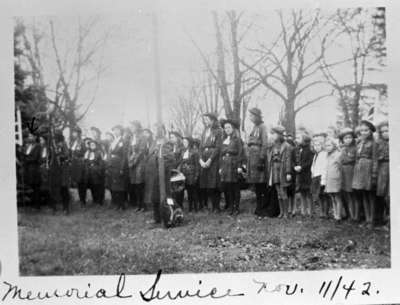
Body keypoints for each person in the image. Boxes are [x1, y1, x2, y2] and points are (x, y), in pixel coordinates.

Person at [147, 123, 175, 224]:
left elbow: (169, 157)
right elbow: (150, 154)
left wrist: (158, 157)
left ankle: (168, 217)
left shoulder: (167, 142)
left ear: (162, 130)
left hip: (163, 174)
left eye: (157, 129)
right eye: (154, 130)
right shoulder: (153, 142)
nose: (155, 132)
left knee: (166, 196)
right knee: (154, 196)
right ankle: (157, 218)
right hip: (154, 173)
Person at [352, 120, 378, 227]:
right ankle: (367, 219)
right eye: (362, 130)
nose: (363, 132)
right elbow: (356, 158)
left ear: (371, 131)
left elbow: (375, 159)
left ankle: (372, 220)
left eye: (366, 130)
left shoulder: (374, 143)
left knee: (371, 195)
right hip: (359, 170)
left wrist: (374, 174)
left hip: (368, 169)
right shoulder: (359, 143)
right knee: (363, 194)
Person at [246, 107, 268, 216]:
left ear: (256, 116)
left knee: (261, 185)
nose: (250, 118)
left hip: (258, 159)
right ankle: (259, 206)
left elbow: (264, 144)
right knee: (257, 185)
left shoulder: (262, 127)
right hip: (252, 159)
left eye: (251, 115)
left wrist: (262, 159)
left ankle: (262, 207)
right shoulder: (254, 127)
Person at [199, 112, 223, 212]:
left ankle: (216, 206)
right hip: (204, 158)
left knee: (214, 183)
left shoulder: (219, 131)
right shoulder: (205, 131)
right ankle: (211, 206)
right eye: (205, 120)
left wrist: (210, 160)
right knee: (207, 183)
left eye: (207, 119)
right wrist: (200, 159)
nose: (206, 121)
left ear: (213, 120)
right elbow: (200, 147)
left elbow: (218, 148)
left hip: (213, 160)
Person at [219, 119, 244, 215]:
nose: (227, 129)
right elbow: (221, 155)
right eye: (225, 128)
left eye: (229, 127)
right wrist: (221, 167)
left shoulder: (237, 139)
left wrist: (239, 166)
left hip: (234, 165)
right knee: (228, 187)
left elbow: (240, 153)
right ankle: (230, 207)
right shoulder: (224, 140)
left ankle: (236, 208)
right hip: (225, 166)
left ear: (233, 128)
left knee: (235, 187)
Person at [268, 126, 293, 218]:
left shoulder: (287, 146)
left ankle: (286, 213)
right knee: (278, 192)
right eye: (272, 134)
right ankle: (281, 212)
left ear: (279, 135)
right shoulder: (273, 145)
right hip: (274, 169)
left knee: (283, 192)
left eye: (274, 134)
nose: (273, 136)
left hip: (282, 170)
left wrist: (288, 172)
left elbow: (288, 160)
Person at [339, 127, 358, 221]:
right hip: (344, 172)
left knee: (353, 194)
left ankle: (355, 215)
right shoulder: (342, 149)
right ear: (342, 140)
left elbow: (352, 159)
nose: (348, 140)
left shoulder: (355, 148)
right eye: (345, 138)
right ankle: (350, 214)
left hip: (352, 171)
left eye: (350, 137)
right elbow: (340, 160)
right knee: (347, 194)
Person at [127, 121, 147, 211]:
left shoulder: (142, 137)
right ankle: (138, 205)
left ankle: (143, 205)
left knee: (140, 185)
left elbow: (142, 150)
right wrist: (129, 160)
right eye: (131, 127)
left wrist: (134, 161)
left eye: (133, 127)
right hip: (132, 163)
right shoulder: (131, 138)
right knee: (135, 185)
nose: (131, 128)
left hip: (140, 163)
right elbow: (129, 150)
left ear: (137, 127)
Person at [293, 132, 314, 217]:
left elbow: (310, 162)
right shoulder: (299, 149)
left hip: (307, 174)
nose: (296, 140)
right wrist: (296, 167)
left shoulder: (309, 149)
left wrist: (301, 167)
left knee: (308, 193)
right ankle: (303, 210)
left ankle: (310, 211)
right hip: (301, 175)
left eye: (298, 138)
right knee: (302, 193)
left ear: (304, 140)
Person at [324, 138, 345, 221]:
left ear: (334, 145)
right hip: (329, 178)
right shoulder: (327, 155)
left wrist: (340, 178)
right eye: (326, 146)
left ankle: (339, 215)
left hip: (336, 178)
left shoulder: (338, 154)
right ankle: (335, 213)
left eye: (329, 145)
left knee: (337, 197)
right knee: (332, 196)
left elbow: (340, 167)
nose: (327, 147)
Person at [108, 125, 127, 210]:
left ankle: (122, 204)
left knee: (120, 185)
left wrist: (122, 168)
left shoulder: (123, 140)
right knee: (115, 185)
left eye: (117, 130)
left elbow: (124, 155)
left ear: (121, 131)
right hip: (113, 164)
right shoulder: (114, 141)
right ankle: (118, 204)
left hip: (119, 164)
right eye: (114, 130)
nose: (115, 132)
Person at [179, 136, 200, 212]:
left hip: (192, 173)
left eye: (186, 142)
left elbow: (197, 165)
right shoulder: (182, 152)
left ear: (189, 143)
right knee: (188, 192)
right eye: (183, 142)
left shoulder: (194, 152)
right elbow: (181, 163)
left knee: (194, 191)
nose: (184, 143)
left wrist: (196, 176)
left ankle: (196, 208)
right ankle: (190, 207)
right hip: (185, 174)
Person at [310, 137, 330, 218]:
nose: (317, 147)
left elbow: (324, 167)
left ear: (322, 145)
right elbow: (313, 166)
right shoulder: (316, 155)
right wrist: (312, 173)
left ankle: (326, 212)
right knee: (319, 196)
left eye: (318, 145)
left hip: (322, 177)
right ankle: (322, 212)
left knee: (324, 195)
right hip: (316, 177)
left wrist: (323, 180)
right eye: (315, 145)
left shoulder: (324, 154)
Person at [375, 120, 389, 227]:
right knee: (382, 195)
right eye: (382, 131)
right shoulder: (379, 143)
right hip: (382, 170)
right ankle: (384, 218)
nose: (385, 133)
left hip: (391, 170)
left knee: (390, 195)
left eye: (387, 131)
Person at [54, 130, 71, 214]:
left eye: (57, 135)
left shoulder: (63, 143)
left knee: (64, 188)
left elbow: (66, 154)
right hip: (56, 169)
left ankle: (66, 207)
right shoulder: (54, 144)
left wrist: (60, 156)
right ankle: (57, 206)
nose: (56, 137)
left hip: (63, 168)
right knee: (58, 188)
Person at [23, 130, 41, 209]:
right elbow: (25, 155)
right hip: (29, 169)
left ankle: (37, 205)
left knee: (36, 187)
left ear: (35, 137)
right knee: (32, 186)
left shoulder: (37, 146)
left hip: (35, 168)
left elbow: (35, 158)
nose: (29, 138)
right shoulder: (28, 146)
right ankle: (33, 203)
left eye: (31, 136)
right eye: (29, 136)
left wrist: (26, 159)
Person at [69, 126, 86, 208]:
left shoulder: (82, 142)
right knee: (78, 182)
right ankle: (80, 199)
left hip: (80, 164)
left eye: (75, 132)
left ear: (78, 133)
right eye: (73, 132)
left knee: (81, 182)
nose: (73, 134)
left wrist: (78, 158)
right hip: (74, 164)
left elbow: (84, 153)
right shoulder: (73, 142)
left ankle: (83, 200)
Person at [84, 140, 104, 205]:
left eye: (93, 145)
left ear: (95, 145)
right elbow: (86, 162)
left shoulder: (99, 152)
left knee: (98, 186)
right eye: (91, 145)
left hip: (96, 172)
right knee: (92, 186)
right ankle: (95, 199)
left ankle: (100, 201)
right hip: (89, 172)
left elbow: (101, 164)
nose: (92, 146)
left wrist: (97, 169)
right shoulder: (88, 153)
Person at [169, 131, 185, 207]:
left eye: (172, 137)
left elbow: (182, 159)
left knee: (178, 189)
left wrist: (178, 170)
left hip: (178, 169)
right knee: (172, 189)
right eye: (170, 137)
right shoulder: (171, 147)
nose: (171, 139)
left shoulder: (182, 147)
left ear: (177, 138)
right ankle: (173, 205)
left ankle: (179, 205)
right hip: (171, 169)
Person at [143, 128, 155, 213]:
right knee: (147, 186)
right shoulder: (144, 143)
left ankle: (151, 204)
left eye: (146, 133)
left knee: (152, 185)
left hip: (152, 167)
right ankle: (147, 204)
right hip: (146, 167)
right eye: (144, 134)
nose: (145, 135)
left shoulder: (154, 143)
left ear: (150, 134)